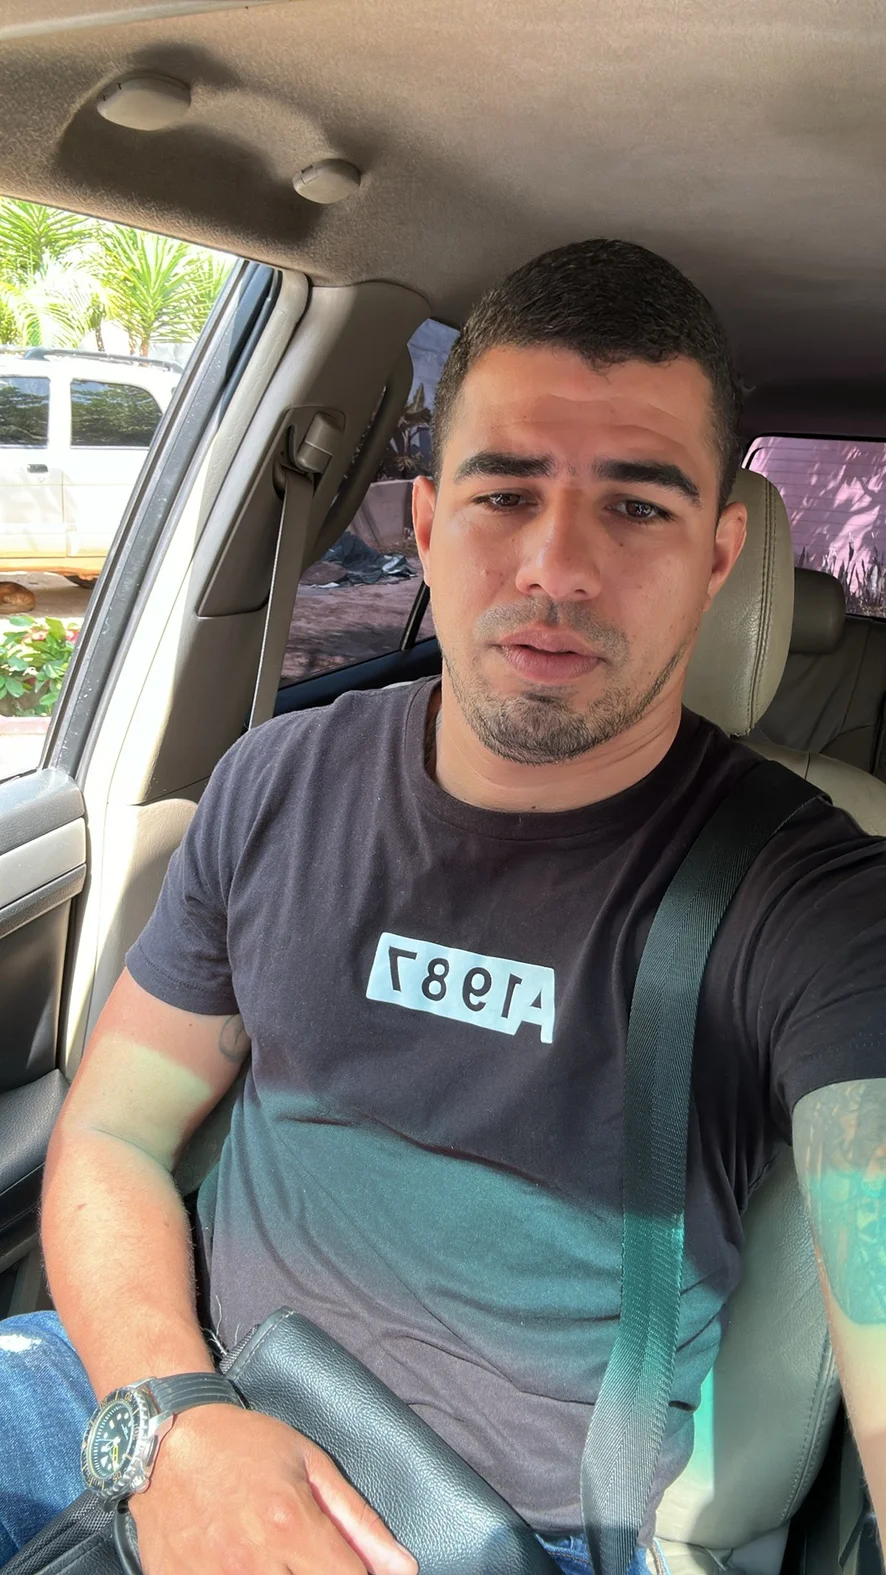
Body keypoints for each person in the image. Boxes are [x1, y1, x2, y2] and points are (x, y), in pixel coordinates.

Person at [1, 238, 884, 1575]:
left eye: (636, 507)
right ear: (424, 525)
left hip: (500, 1533)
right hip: (167, 1399)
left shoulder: (816, 902)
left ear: (718, 559)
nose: (557, 566)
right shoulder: (275, 783)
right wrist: (176, 1421)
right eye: (503, 492)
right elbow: (115, 1129)